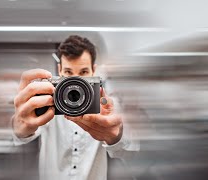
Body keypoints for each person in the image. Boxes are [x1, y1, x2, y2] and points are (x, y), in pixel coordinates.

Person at [11, 35, 140, 180]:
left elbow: (130, 150)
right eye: (68, 72)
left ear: (93, 70)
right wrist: (19, 125)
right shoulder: (47, 100)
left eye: (83, 72)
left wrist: (116, 137)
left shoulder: (107, 104)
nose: (76, 82)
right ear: (59, 70)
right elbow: (19, 138)